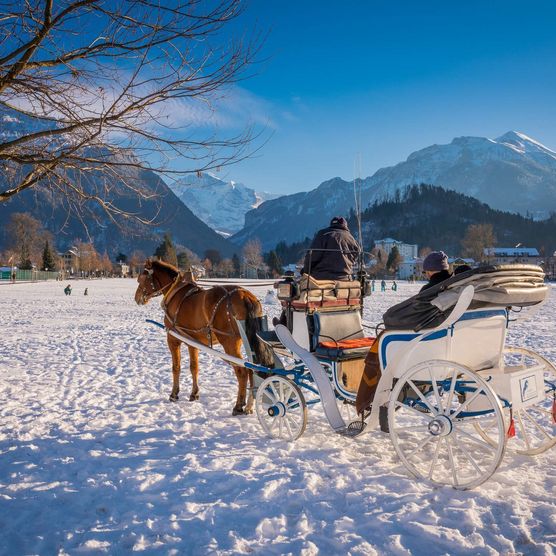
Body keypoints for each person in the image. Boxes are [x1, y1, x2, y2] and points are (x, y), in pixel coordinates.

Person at [300, 216, 360, 280]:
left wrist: (305, 271)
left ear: (331, 224)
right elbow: (356, 254)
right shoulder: (351, 238)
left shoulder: (323, 234)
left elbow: (312, 257)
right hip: (345, 278)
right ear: (345, 225)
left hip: (320, 278)